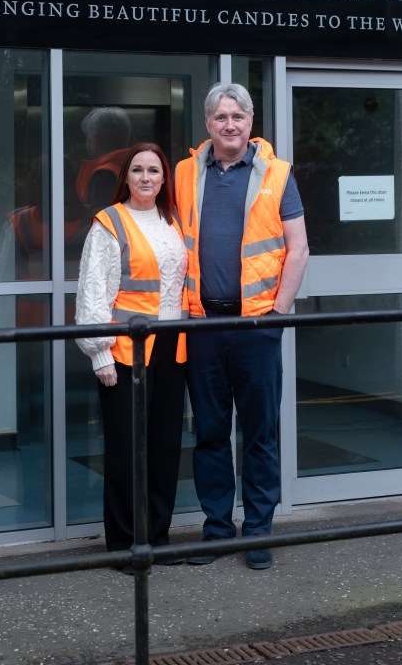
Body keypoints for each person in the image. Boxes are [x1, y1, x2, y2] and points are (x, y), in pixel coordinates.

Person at [174, 83, 309, 570]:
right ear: (207, 124)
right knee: (209, 432)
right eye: (220, 117)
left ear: (251, 122)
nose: (229, 125)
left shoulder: (277, 173)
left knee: (259, 432)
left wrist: (278, 313)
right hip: (202, 322)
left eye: (238, 116)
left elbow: (300, 247)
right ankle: (215, 530)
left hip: (256, 324)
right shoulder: (185, 173)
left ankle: (257, 530)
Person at [75, 142, 188, 572]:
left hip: (170, 349)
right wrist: (98, 352)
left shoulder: (172, 220)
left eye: (154, 171)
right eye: (138, 170)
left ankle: (157, 538)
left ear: (164, 179)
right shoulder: (109, 224)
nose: (145, 178)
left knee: (164, 448)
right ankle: (124, 544)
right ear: (125, 176)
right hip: (123, 352)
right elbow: (92, 294)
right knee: (125, 451)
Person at [76, 106, 131, 214]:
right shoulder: (133, 167)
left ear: (97, 140)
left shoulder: (104, 175)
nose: (87, 142)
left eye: (88, 136)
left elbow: (99, 217)